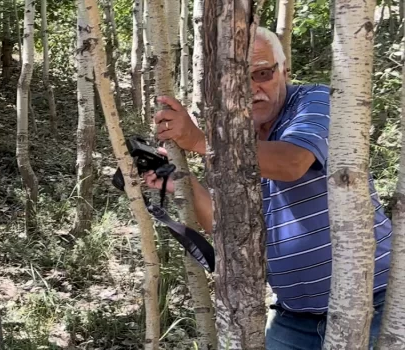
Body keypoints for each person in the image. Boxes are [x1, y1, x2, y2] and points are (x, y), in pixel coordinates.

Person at [143, 26, 393, 349]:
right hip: (294, 317)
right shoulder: (229, 138)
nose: (251, 88)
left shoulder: (315, 102)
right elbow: (224, 224)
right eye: (238, 79)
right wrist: (180, 179)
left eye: (262, 73)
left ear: (284, 70)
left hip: (372, 303)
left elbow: (293, 162)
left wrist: (200, 140)